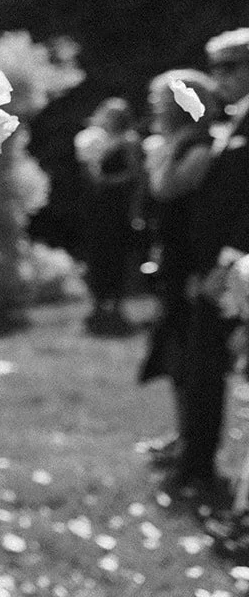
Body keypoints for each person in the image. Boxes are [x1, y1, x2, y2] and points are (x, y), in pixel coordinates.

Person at [170, 28, 249, 498]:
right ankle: (196, 463)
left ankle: (203, 471)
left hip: (236, 271)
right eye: (215, 68)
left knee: (209, 366)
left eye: (231, 67)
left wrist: (227, 263)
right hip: (214, 268)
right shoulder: (232, 121)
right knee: (201, 367)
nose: (219, 78)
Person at [136, 68, 219, 467]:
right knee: (175, 351)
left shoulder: (200, 146)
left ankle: (192, 445)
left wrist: (163, 153)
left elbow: (166, 189)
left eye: (160, 102)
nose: (154, 109)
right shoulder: (183, 143)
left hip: (190, 265)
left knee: (188, 353)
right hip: (175, 262)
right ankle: (183, 436)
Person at [74, 97, 143, 333]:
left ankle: (116, 301)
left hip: (118, 206)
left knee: (116, 253)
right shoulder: (95, 140)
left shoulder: (129, 141)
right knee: (96, 253)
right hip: (97, 207)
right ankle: (98, 300)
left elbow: (135, 174)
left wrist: (109, 182)